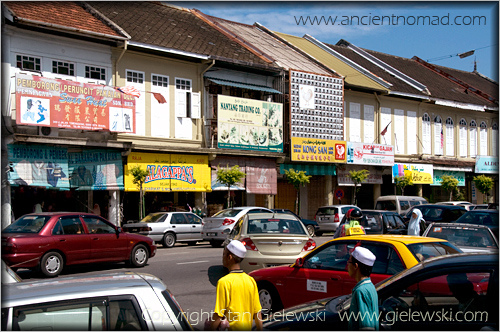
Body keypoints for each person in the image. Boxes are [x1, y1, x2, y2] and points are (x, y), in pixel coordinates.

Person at [208, 240, 262, 331]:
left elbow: (219, 315)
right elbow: (257, 313)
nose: (222, 258)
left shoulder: (224, 282)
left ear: (229, 257)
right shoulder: (250, 280)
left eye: (224, 254)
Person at [347, 246, 379, 331]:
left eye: (349, 262)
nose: (347, 265)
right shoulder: (370, 286)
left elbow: (366, 326)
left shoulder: (361, 291)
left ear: (355, 266)